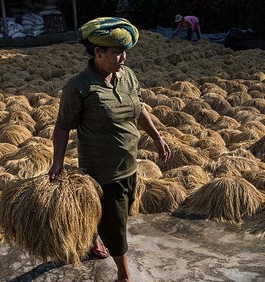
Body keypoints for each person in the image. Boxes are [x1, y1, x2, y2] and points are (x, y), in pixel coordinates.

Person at [48, 17, 171, 282]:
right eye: (117, 52)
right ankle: (123, 275)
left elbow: (140, 109)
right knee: (116, 226)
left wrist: (158, 137)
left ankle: (92, 238)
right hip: (101, 170)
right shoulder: (79, 86)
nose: (123, 57)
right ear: (98, 52)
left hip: (130, 163)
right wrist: (57, 162)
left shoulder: (127, 76)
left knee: (118, 213)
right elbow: (62, 127)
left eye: (125, 51)